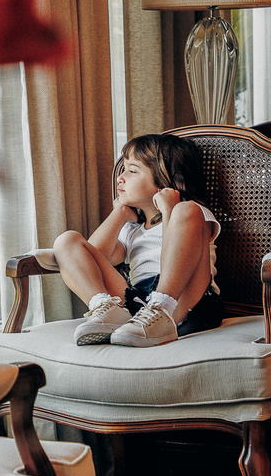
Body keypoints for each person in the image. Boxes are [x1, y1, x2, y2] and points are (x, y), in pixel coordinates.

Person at [53, 133, 223, 347]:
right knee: (67, 241)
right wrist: (120, 214)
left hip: (186, 299)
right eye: (123, 169)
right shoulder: (132, 230)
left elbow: (177, 253)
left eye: (132, 171)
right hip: (139, 305)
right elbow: (93, 259)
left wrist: (169, 208)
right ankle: (106, 308)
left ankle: (162, 309)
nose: (120, 177)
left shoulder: (193, 214)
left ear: (164, 180)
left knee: (186, 209)